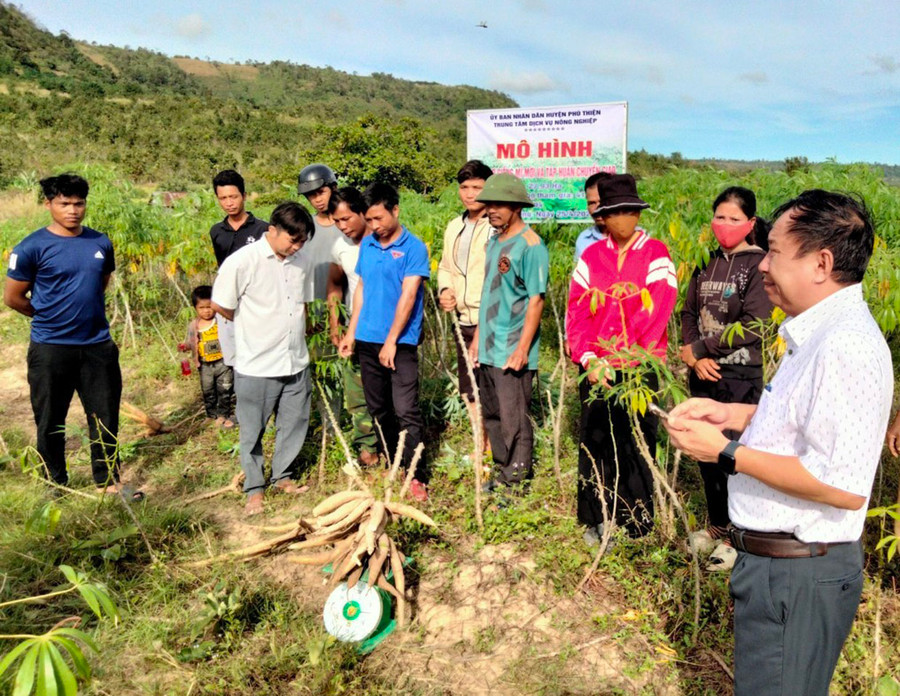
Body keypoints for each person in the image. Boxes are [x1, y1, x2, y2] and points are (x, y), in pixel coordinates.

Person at [665, 190, 892, 695]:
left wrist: (726, 452)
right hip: (781, 568)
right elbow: (801, 424)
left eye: (773, 251)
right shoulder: (814, 334)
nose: (763, 264)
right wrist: (731, 414)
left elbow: (841, 486)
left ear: (821, 263)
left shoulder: (845, 346)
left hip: (799, 574)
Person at [4, 174, 141, 499]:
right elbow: (13, 298)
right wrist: (48, 318)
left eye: (78, 203)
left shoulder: (100, 243)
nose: (73, 210)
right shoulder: (30, 247)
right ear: (48, 204)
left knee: (105, 416)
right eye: (64, 203)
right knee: (50, 418)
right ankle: (55, 483)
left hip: (97, 346)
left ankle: (108, 481)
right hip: (50, 349)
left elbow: (101, 281)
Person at [566, 173, 677, 542]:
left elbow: (658, 310)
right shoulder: (592, 256)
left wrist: (625, 357)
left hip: (637, 368)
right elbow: (577, 313)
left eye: (630, 210)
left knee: (635, 441)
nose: (623, 218)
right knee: (595, 440)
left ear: (638, 213)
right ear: (604, 217)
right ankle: (596, 517)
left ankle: (636, 520)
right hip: (596, 368)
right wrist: (588, 358)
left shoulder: (656, 253)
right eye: (615, 211)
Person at [679, 186, 772, 569]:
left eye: (735, 219)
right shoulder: (705, 260)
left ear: (750, 223)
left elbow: (754, 323)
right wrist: (690, 352)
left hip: (739, 376)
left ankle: (739, 534)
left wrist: (700, 350)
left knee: (735, 453)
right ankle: (718, 524)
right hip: (703, 372)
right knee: (706, 455)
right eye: (720, 217)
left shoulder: (759, 264)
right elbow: (687, 313)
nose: (725, 225)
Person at [211, 202, 316, 516]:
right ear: (272, 229)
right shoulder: (242, 261)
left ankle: (282, 476)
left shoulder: (302, 260)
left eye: (301, 242)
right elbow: (222, 305)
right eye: (291, 240)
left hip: (295, 358)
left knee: (294, 422)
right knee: (252, 429)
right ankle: (254, 488)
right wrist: (254, 327)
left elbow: (304, 304)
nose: (295, 247)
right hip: (257, 363)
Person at [339, 183, 431, 502]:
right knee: (378, 409)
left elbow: (408, 296)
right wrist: (352, 332)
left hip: (400, 342)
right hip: (367, 339)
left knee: (406, 408)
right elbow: (361, 288)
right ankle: (395, 463)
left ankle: (416, 473)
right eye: (369, 219)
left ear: (395, 210)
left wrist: (391, 340)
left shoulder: (414, 248)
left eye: (379, 218)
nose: (374, 226)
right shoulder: (368, 245)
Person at [469, 173, 549, 492]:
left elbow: (536, 300)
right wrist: (476, 337)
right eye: (489, 204)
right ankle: (502, 470)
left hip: (512, 349)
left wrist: (522, 349)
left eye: (500, 204)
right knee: (493, 415)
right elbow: (490, 294)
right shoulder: (493, 242)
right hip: (488, 346)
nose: (492, 210)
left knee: (514, 418)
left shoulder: (531, 246)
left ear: (517, 206)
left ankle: (516, 481)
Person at [437, 159, 493, 454]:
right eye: (464, 187)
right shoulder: (454, 227)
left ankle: (495, 445)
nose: (470, 194)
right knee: (469, 387)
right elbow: (446, 267)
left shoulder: (496, 228)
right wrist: (445, 289)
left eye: (477, 188)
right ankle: (478, 443)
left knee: (491, 386)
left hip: (490, 320)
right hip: (463, 319)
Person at [326, 187, 378, 466]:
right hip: (353, 329)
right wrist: (336, 324)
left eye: (347, 219)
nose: (343, 226)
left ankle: (394, 445)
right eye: (337, 221)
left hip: (385, 329)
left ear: (363, 213)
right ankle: (367, 448)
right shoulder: (340, 247)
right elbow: (335, 284)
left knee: (390, 391)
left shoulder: (384, 239)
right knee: (357, 392)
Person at [209, 170, 269, 368]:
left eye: (233, 197)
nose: (229, 203)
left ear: (244, 196)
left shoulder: (263, 229)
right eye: (223, 198)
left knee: (259, 353)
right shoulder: (216, 231)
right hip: (227, 302)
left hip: (257, 302)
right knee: (234, 358)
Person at [181, 285, 234, 428]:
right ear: (195, 308)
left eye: (209, 306)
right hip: (205, 365)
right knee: (208, 391)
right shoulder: (194, 325)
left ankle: (224, 415)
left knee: (224, 389)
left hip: (223, 362)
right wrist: (185, 346)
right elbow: (191, 342)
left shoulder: (222, 321)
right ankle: (211, 415)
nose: (206, 311)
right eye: (201, 308)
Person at [297, 163, 343, 305]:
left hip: (345, 311)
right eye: (311, 195)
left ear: (333, 188)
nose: (317, 199)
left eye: (321, 192)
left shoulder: (348, 226)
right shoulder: (304, 227)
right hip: (313, 311)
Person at [573, 171, 613, 262]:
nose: (597, 209)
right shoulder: (583, 239)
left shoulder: (637, 237)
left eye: (602, 202)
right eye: (591, 203)